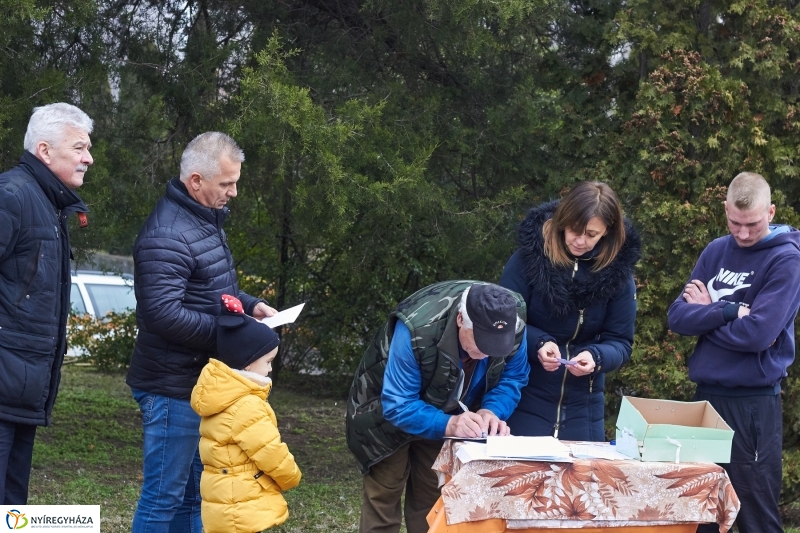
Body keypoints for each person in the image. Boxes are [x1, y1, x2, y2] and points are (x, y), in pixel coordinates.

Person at [126, 132, 277, 533]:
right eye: (226, 183)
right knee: (164, 498)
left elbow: (209, 290)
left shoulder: (202, 219)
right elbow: (162, 314)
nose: (235, 192)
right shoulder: (167, 233)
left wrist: (248, 305)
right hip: (170, 386)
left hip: (198, 384)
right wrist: (231, 334)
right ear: (196, 180)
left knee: (197, 495)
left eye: (236, 181)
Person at [668, 172, 800, 533]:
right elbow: (678, 317)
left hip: (752, 405)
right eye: (735, 223)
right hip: (706, 400)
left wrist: (707, 313)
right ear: (725, 210)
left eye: (753, 225)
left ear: (771, 212)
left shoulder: (786, 260)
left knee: (755, 518)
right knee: (702, 516)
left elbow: (759, 334)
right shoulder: (715, 250)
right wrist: (727, 311)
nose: (742, 234)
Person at [346, 281, 530, 533]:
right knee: (384, 495)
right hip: (382, 416)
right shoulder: (415, 328)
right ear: (460, 320)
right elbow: (398, 403)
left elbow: (513, 376)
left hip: (446, 416)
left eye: (496, 346)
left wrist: (491, 410)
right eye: (481, 343)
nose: (487, 354)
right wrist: (451, 423)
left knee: (432, 499)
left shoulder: (513, 319)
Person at [0, 102, 93, 504]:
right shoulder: (12, 196)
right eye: (79, 148)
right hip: (4, 386)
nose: (88, 158)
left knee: (12, 507)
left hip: (23, 391)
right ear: (44, 151)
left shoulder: (51, 205)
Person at [499, 181, 640, 441]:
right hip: (523, 398)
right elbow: (503, 322)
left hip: (583, 412)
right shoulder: (526, 260)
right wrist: (538, 343)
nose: (580, 240)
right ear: (563, 220)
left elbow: (621, 343)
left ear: (606, 232)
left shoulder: (619, 276)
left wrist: (596, 356)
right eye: (575, 230)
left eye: (591, 234)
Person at [191, 294, 301, 533]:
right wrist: (292, 477)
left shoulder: (220, 395)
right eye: (269, 361)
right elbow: (270, 452)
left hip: (225, 505)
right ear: (249, 364)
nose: (271, 368)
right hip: (242, 506)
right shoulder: (245, 405)